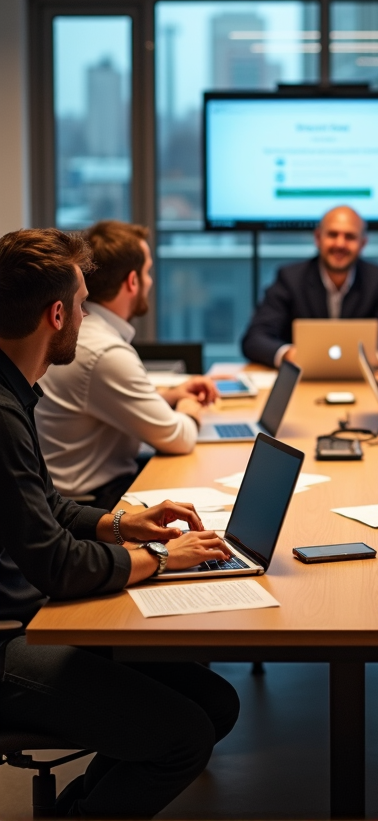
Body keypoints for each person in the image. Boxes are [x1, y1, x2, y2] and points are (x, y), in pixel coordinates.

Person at [0, 227, 240, 819]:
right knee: (184, 735)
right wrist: (162, 559)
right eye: (83, 304)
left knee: (213, 701)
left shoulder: (16, 389)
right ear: (58, 314)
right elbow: (53, 561)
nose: (88, 316)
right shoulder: (2, 412)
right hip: (8, 636)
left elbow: (48, 507)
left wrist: (123, 523)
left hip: (28, 614)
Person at [35, 220, 219, 510]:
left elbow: (101, 399)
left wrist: (169, 395)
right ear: (132, 281)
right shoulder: (103, 350)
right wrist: (189, 409)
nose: (149, 281)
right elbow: (178, 438)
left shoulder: (94, 337)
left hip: (77, 492)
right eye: (147, 272)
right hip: (92, 502)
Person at [241, 205, 378, 367]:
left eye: (350, 237)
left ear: (363, 243)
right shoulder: (290, 278)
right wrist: (289, 355)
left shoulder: (377, 279)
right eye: (332, 235)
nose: (340, 244)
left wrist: (372, 358)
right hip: (302, 381)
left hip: (359, 381)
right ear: (318, 238)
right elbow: (255, 339)